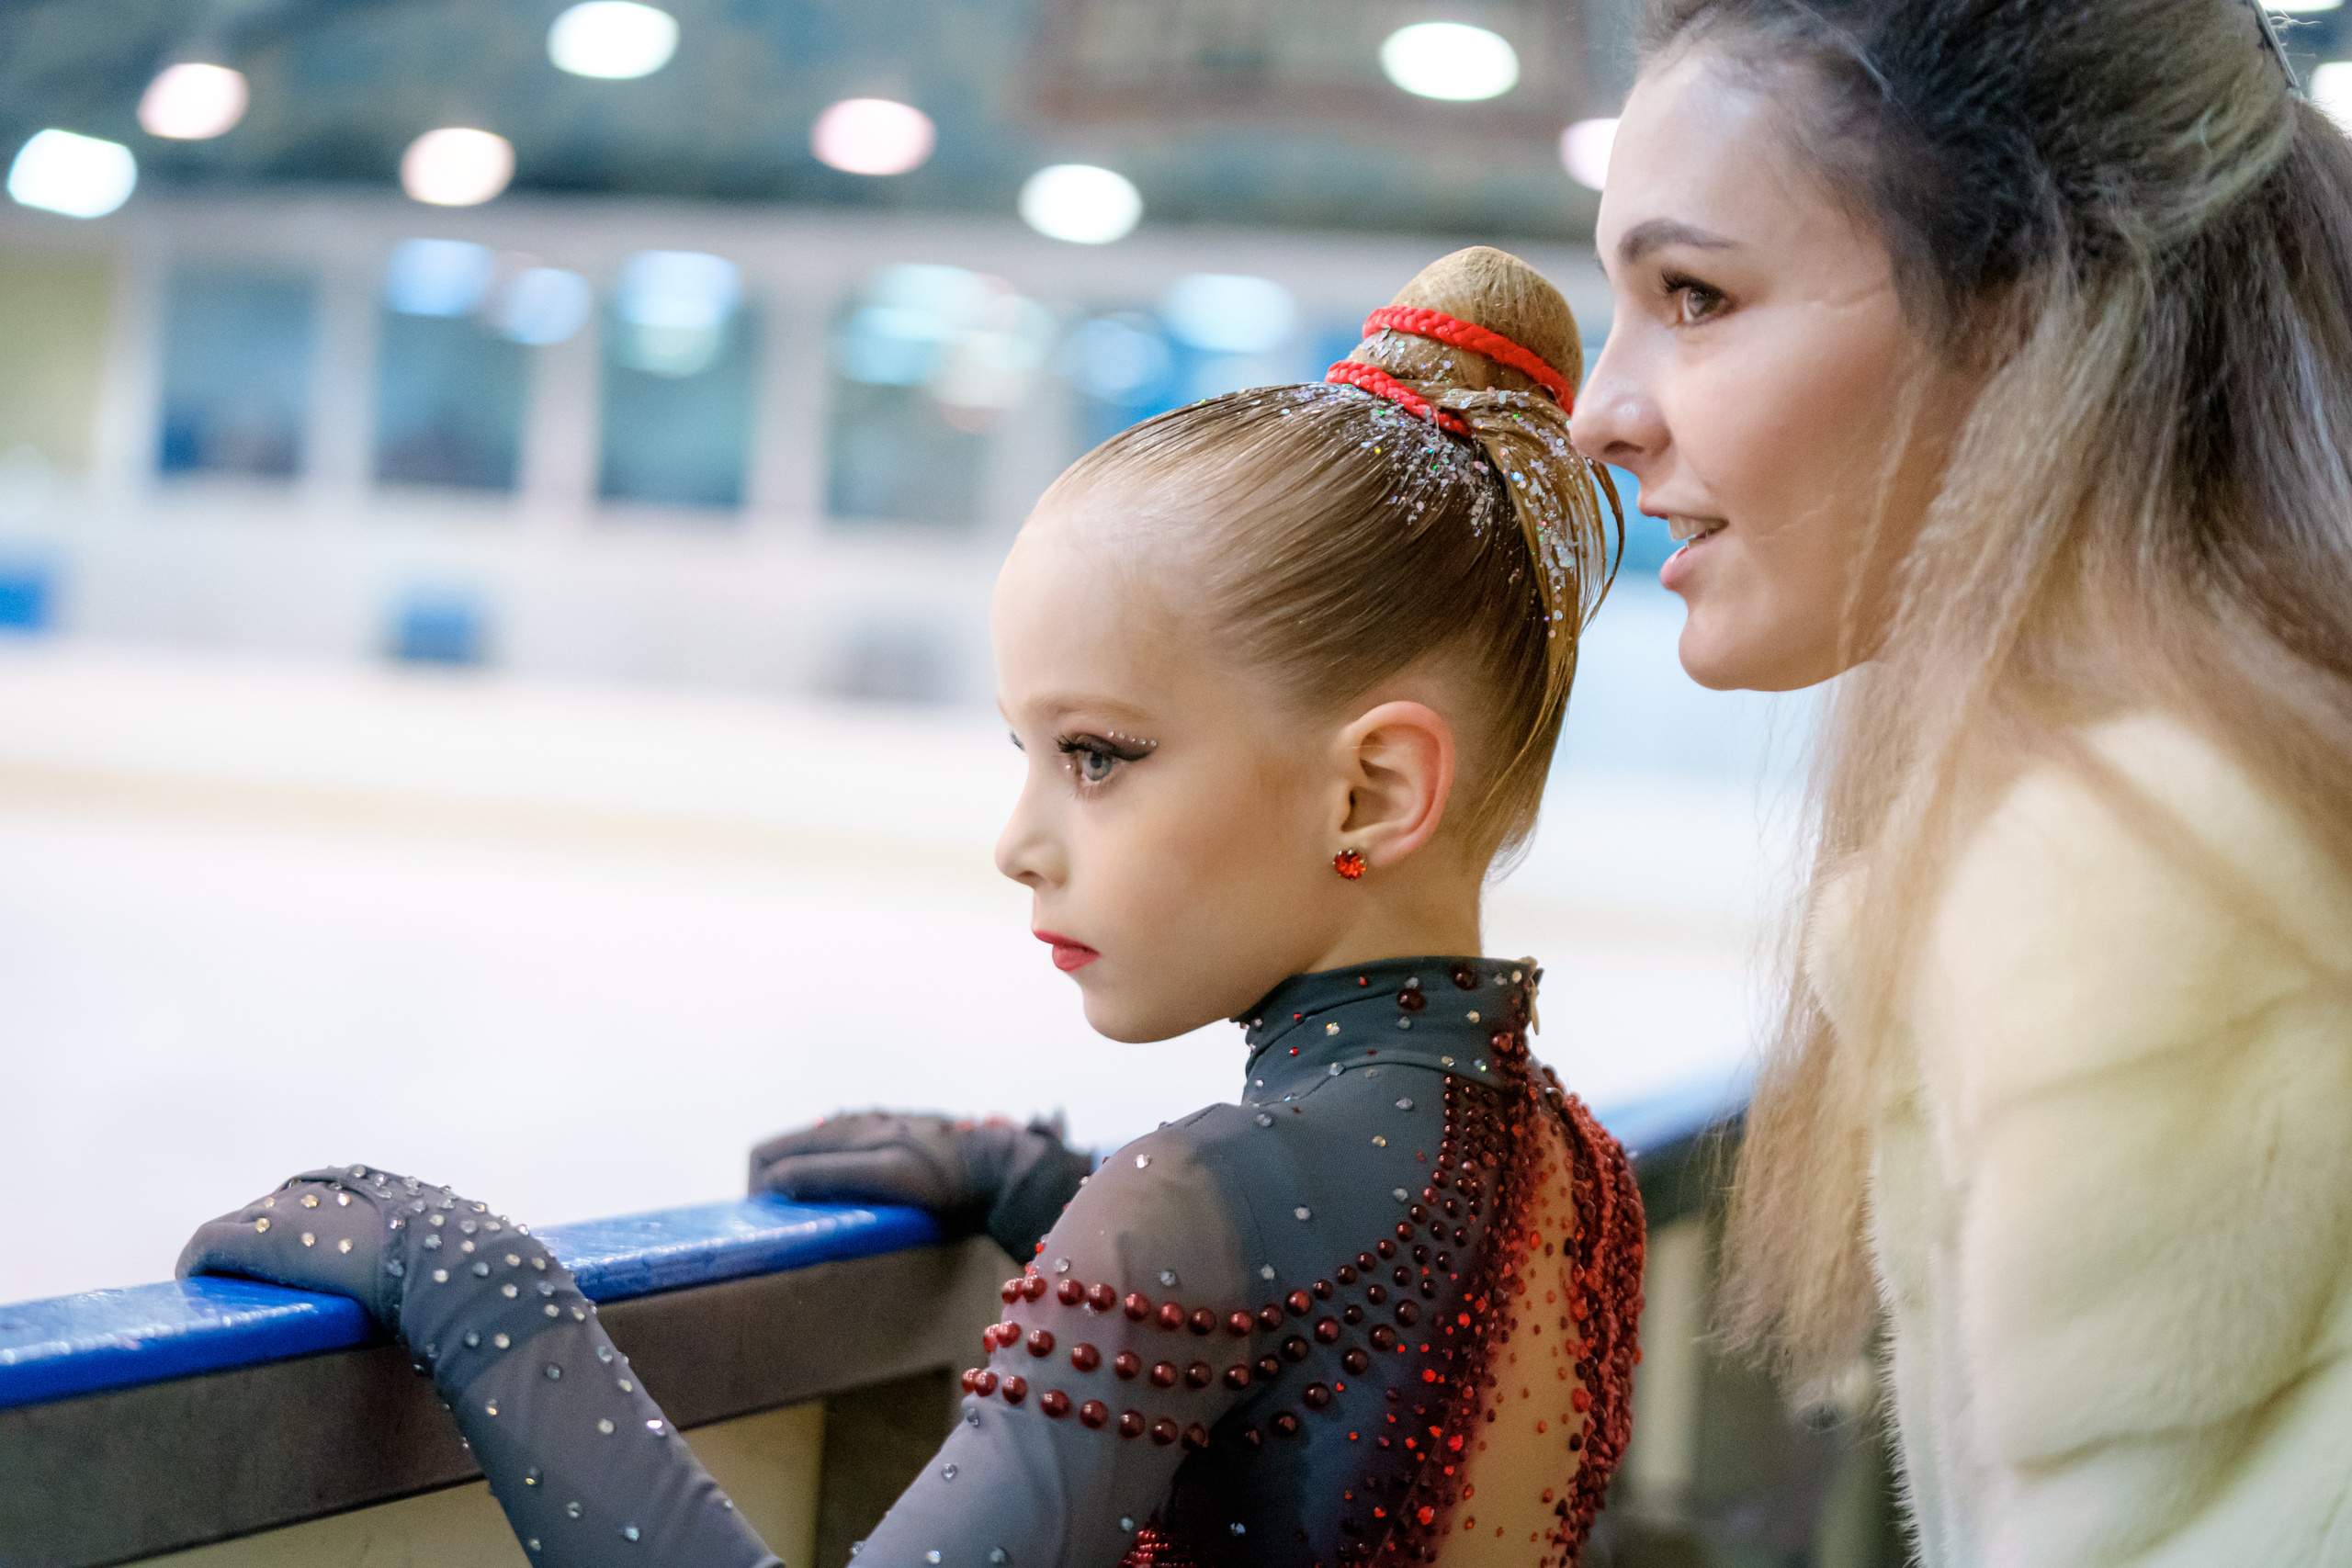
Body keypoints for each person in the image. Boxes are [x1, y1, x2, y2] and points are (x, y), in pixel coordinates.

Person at [177, 246, 1648, 1566]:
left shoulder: (1197, 1210)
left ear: (1372, 793)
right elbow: (1353, 1363)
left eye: (1098, 757)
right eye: (1027, 754)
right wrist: (1038, 1192)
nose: (1019, 841)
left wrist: (480, 1293)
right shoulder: (1580, 1183)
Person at [1563, 1, 2352, 1564]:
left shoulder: (2131, 870)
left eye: (1697, 296)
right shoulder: (2191, 792)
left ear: (2015, 317)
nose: (1603, 411)